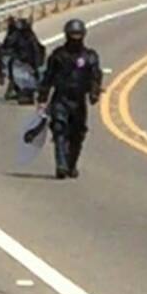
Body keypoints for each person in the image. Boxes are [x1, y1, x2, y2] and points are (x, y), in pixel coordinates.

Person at [38, 18, 103, 180]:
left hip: (79, 100)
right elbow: (48, 76)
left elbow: (95, 76)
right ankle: (61, 164)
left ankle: (71, 164)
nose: (75, 38)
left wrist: (94, 93)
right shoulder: (58, 55)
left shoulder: (89, 56)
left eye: (78, 35)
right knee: (59, 129)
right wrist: (42, 97)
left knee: (77, 133)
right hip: (61, 98)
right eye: (72, 35)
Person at [2, 16, 46, 100]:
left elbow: (37, 51)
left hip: (28, 63)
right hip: (19, 62)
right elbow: (6, 46)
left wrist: (36, 65)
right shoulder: (16, 35)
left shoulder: (31, 37)